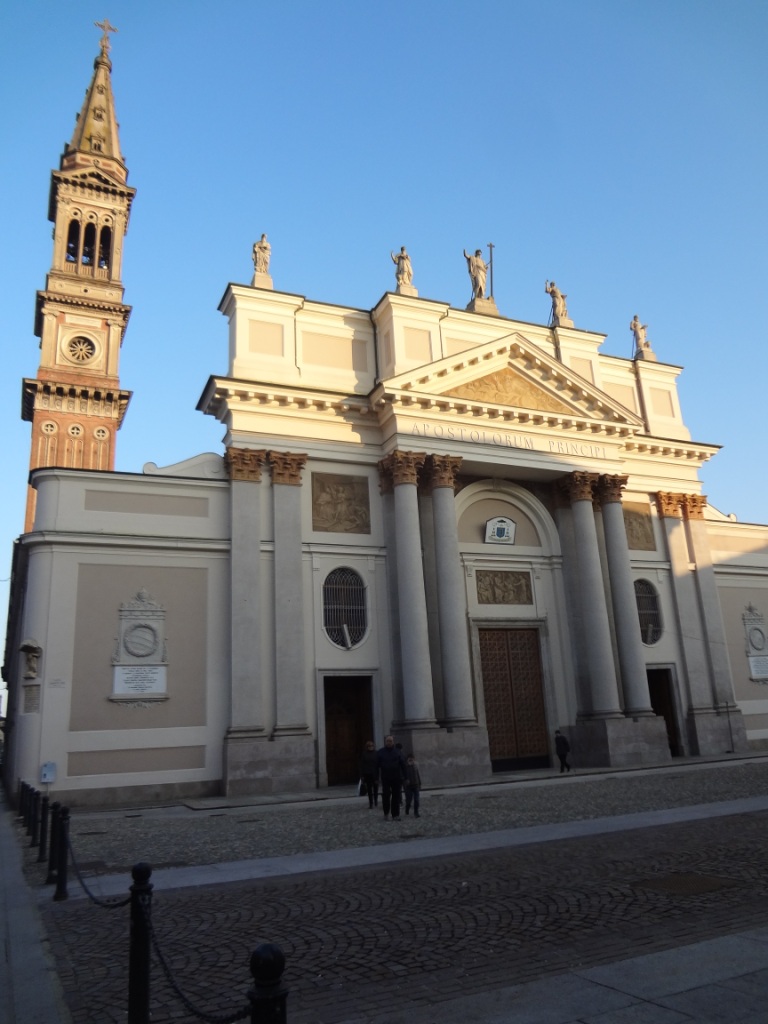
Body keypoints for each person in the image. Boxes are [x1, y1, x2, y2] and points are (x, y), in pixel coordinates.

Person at [377, 735, 406, 821]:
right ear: (385, 742)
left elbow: (403, 765)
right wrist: (376, 778)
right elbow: (376, 766)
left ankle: (395, 814)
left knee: (396, 796)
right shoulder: (380, 752)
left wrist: (406, 777)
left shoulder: (398, 752)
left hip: (396, 777)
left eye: (390, 741)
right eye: (387, 741)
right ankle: (386, 813)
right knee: (386, 796)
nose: (389, 742)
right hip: (385, 777)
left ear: (393, 742)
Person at [359, 739, 379, 809]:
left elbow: (378, 764)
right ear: (367, 747)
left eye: (372, 746)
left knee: (376, 789)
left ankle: (376, 801)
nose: (370, 747)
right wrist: (362, 775)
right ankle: (371, 803)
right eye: (369, 746)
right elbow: (362, 765)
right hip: (367, 774)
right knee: (369, 790)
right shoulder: (364, 754)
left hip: (375, 774)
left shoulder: (376, 753)